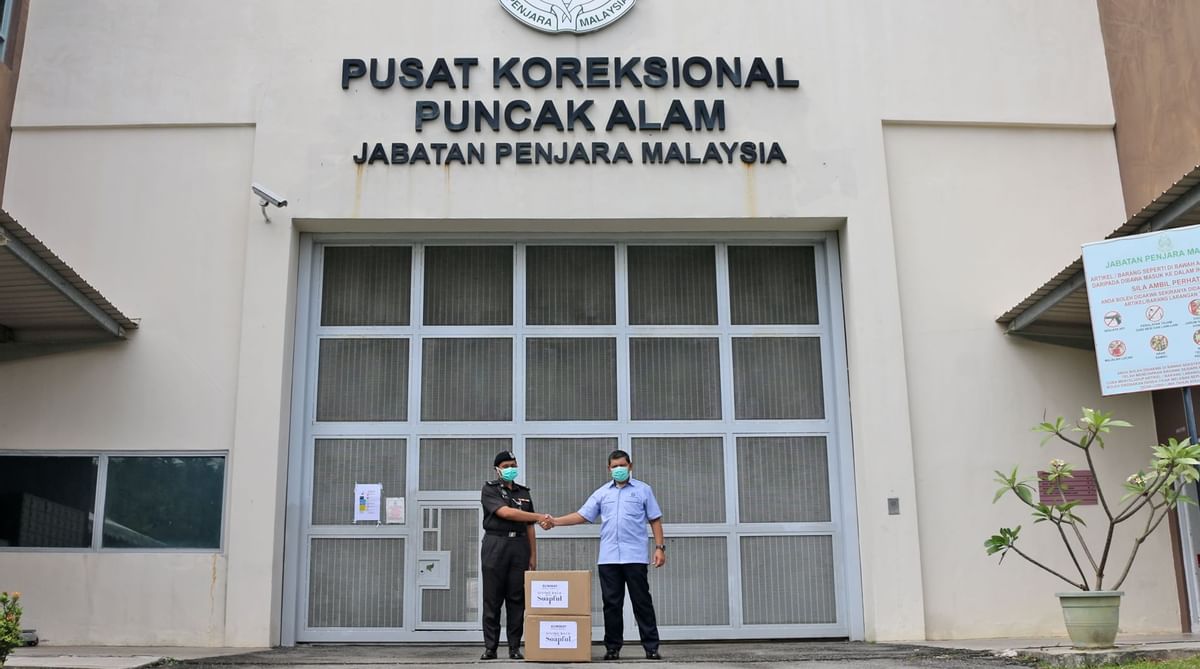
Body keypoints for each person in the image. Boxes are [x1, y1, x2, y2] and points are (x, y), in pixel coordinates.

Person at [543, 450, 666, 661]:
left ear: (630, 466)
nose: (619, 469)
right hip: (608, 558)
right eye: (615, 466)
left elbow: (654, 519)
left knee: (642, 602)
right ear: (608, 468)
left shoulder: (643, 490)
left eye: (623, 465)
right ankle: (612, 648)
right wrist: (555, 521)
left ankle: (651, 647)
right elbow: (582, 515)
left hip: (635, 557)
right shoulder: (602, 493)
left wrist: (659, 548)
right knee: (611, 604)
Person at [480, 450, 551, 660]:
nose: (510, 469)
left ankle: (514, 647)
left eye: (513, 464)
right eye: (505, 466)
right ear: (497, 469)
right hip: (496, 544)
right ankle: (490, 648)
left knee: (516, 599)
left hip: (519, 546)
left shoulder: (524, 492)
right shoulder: (489, 489)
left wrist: (533, 555)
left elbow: (529, 526)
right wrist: (540, 516)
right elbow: (506, 513)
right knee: (492, 599)